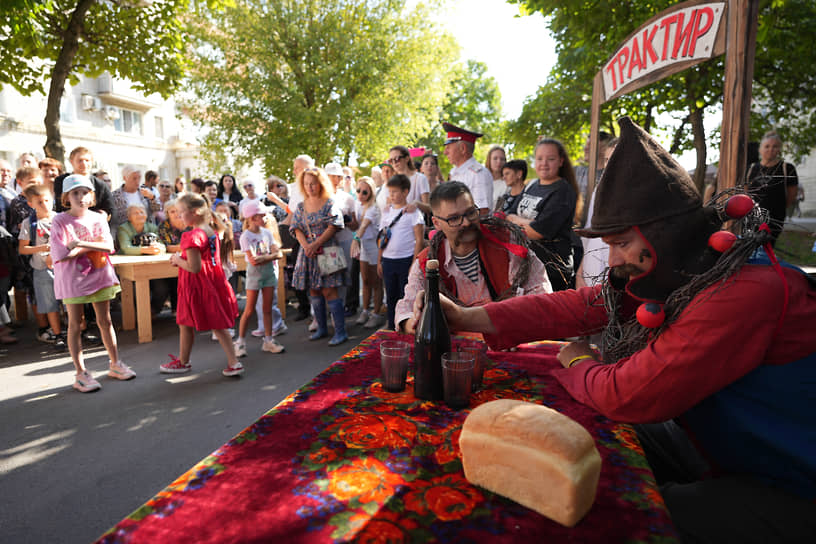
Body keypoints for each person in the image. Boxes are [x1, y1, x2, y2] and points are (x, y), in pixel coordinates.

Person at [420, 117, 816, 543]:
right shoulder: (687, 272)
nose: (610, 262)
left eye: (621, 242)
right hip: (724, 453)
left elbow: (627, 393)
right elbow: (579, 306)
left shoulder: (742, 293)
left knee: (620, 514)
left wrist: (580, 360)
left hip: (791, 486)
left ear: (666, 237)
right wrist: (468, 318)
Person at [398, 181, 551, 334]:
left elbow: (542, 295)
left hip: (509, 337)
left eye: (470, 213)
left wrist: (512, 325)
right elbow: (405, 311)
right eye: (454, 219)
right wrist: (417, 321)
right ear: (437, 223)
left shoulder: (509, 245)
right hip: (455, 349)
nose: (466, 223)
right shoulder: (427, 262)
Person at [50, 175, 135, 392]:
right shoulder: (59, 220)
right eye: (75, 193)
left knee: (105, 320)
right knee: (75, 324)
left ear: (92, 196)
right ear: (66, 197)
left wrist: (78, 245)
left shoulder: (98, 218)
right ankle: (80, 373)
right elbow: (59, 253)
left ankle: (115, 364)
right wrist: (92, 245)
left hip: (100, 276)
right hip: (73, 280)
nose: (80, 197)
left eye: (85, 192)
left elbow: (108, 246)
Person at [160, 192, 243, 376]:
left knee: (185, 323)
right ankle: (233, 361)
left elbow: (194, 267)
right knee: (218, 324)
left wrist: (176, 259)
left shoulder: (192, 236)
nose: (180, 216)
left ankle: (183, 362)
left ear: (195, 211)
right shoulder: (211, 230)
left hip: (196, 286)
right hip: (212, 282)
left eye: (181, 212)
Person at [505, 138, 578, 291]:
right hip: (528, 265)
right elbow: (509, 215)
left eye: (550, 159)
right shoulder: (531, 185)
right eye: (539, 158)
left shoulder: (562, 191)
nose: (544, 163)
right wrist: (527, 222)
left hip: (553, 270)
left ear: (560, 161)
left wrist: (519, 222)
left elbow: (537, 232)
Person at [289, 167, 348, 345]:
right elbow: (296, 228)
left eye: (313, 183)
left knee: (330, 290)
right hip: (308, 252)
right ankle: (322, 328)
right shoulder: (301, 205)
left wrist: (315, 244)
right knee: (313, 290)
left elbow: (334, 225)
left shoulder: (329, 202)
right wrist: (306, 246)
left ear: (320, 184)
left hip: (327, 250)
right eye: (306, 184)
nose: (310, 187)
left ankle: (340, 331)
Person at [234, 200, 285, 356]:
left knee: (267, 309)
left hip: (268, 275)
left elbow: (279, 253)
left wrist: (266, 257)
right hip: (254, 277)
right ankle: (240, 342)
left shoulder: (267, 233)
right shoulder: (246, 236)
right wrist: (270, 256)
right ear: (253, 218)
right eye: (263, 215)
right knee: (249, 310)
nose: (266, 218)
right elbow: (254, 260)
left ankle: (268, 341)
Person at [18, 184, 65, 350]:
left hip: (64, 268)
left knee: (69, 302)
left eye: (47, 200)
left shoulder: (61, 218)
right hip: (41, 269)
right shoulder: (29, 223)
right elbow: (22, 248)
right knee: (49, 304)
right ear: (31, 204)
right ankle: (58, 335)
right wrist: (41, 248)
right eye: (39, 202)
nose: (45, 204)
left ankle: (78, 331)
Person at [377, 174, 424, 331]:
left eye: (395, 191)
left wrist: (413, 264)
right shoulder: (386, 212)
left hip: (406, 259)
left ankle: (405, 329)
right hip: (388, 260)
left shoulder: (414, 213)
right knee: (390, 297)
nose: (392, 195)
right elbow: (381, 239)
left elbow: (419, 239)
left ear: (405, 192)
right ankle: (391, 327)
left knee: (405, 297)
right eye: (390, 192)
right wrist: (379, 261)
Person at [743, 130, 799, 245]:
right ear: (760, 149)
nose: (770, 149)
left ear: (779, 149)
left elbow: (792, 194)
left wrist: (780, 208)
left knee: (767, 247)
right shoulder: (751, 169)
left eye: (775, 146)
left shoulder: (787, 168)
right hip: (752, 217)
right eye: (767, 146)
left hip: (775, 218)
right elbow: (745, 192)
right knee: (748, 246)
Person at [324, 162, 358, 317]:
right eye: (332, 176)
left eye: (338, 176)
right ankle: (329, 311)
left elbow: (355, 223)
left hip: (345, 239)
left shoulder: (347, 197)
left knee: (346, 275)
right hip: (329, 242)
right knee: (331, 276)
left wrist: (346, 222)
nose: (336, 179)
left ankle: (341, 309)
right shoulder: (321, 197)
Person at [350, 177, 384, 328]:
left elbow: (363, 226)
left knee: (376, 282)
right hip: (364, 246)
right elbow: (357, 225)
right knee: (365, 280)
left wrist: (355, 238)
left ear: (371, 193)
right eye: (358, 191)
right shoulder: (358, 205)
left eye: (365, 192)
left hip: (374, 247)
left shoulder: (373, 208)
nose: (361, 194)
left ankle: (376, 313)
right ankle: (365, 310)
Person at [443, 122, 494, 213]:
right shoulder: (454, 172)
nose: (445, 152)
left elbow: (482, 211)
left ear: (463, 148)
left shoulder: (478, 174)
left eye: (448, 148)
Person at [53, 147, 113, 217]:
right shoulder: (61, 181)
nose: (84, 164)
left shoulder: (100, 185)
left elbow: (110, 210)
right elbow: (61, 206)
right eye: (80, 160)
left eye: (87, 160)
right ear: (71, 161)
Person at [110, 165, 159, 237]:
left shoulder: (145, 192)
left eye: (139, 178)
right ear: (124, 178)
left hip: (146, 234)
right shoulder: (115, 196)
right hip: (125, 235)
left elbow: (157, 209)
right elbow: (113, 220)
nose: (137, 181)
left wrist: (152, 198)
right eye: (134, 178)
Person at [485, 145, 507, 210]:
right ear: (489, 160)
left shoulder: (507, 184)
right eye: (495, 158)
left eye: (502, 159)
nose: (499, 161)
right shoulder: (481, 180)